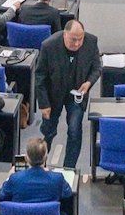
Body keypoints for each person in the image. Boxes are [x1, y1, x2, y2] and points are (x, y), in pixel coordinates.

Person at [33, 20, 101, 167]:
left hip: (76, 94)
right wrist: (44, 104)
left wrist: (89, 83)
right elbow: (40, 77)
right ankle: (40, 165)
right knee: (49, 131)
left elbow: (97, 68)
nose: (77, 44)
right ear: (65, 34)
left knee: (74, 130)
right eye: (73, 40)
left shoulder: (91, 41)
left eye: (80, 39)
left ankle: (69, 168)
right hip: (53, 94)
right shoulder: (49, 46)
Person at [0, 136, 76, 215]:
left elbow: (2, 194)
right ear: (46, 157)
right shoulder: (57, 178)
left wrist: (9, 177)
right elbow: (68, 193)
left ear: (27, 158)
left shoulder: (15, 178)